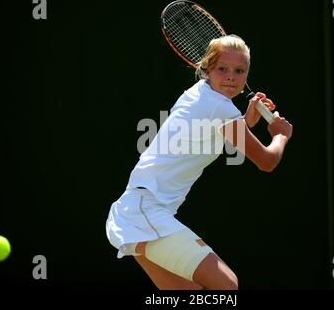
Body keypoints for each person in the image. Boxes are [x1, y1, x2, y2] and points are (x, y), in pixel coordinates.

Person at [105, 35, 293, 290]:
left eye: (239, 71)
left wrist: (246, 121)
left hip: (133, 212)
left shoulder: (198, 95)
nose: (231, 76)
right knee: (226, 286)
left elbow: (213, 136)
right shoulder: (220, 108)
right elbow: (266, 162)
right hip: (143, 212)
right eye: (222, 69)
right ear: (207, 69)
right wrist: (281, 135)